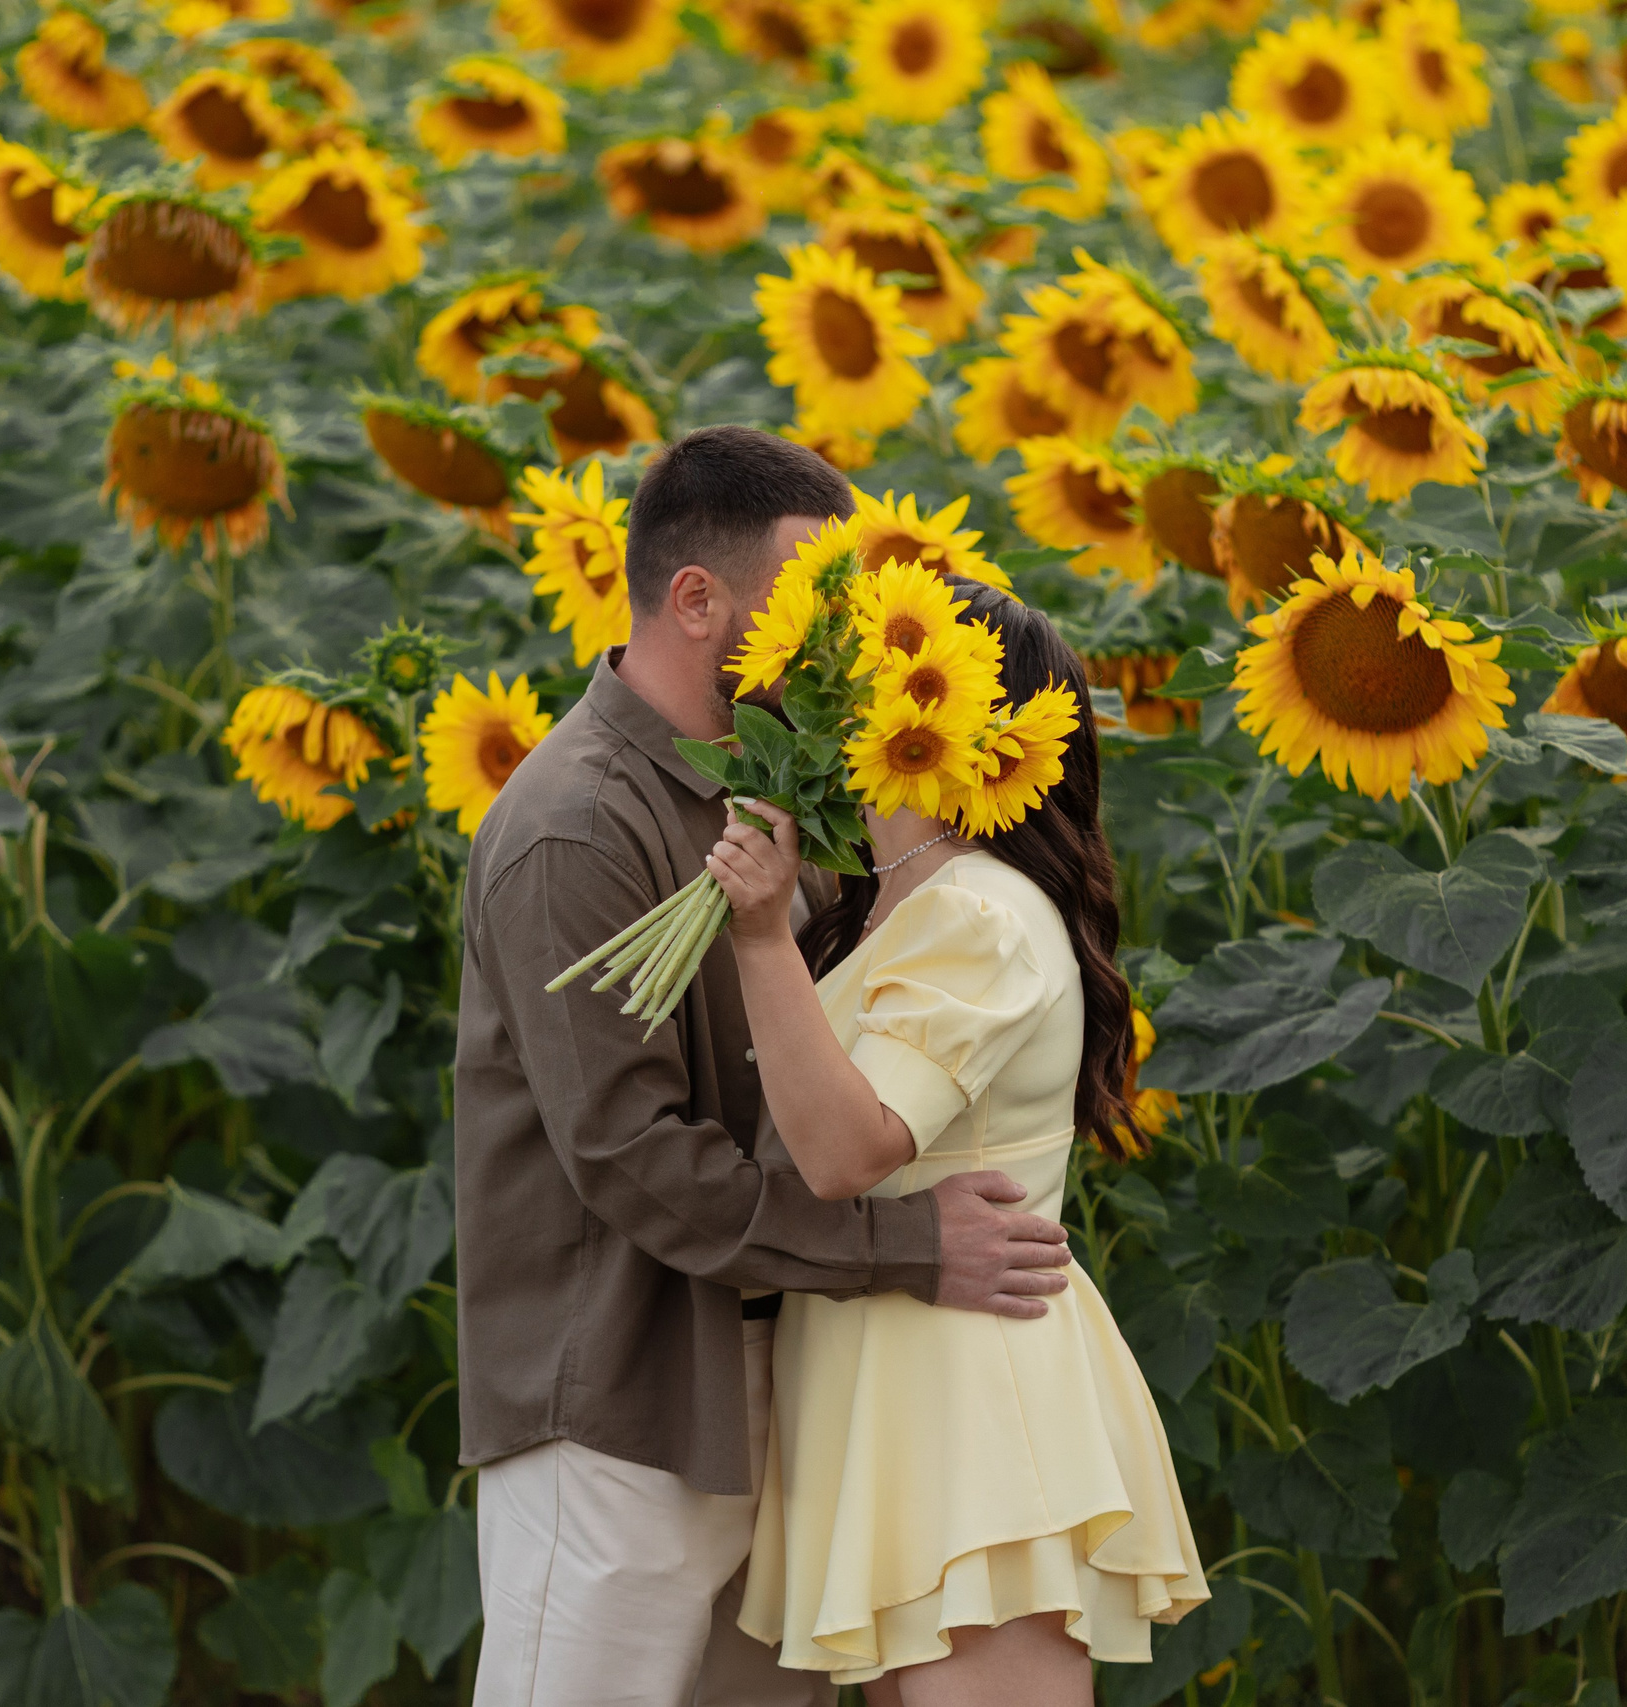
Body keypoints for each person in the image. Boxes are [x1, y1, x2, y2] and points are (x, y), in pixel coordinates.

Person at [455, 426, 1078, 1707]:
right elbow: (634, 1160)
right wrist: (904, 1249)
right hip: (618, 1405)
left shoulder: (766, 792)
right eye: (805, 596)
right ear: (697, 600)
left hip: (764, 1390)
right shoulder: (576, 824)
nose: (833, 631)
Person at [705, 582, 1210, 1706]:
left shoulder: (975, 911)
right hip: (893, 1376)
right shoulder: (897, 902)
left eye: (888, 664)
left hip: (965, 1390)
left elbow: (848, 1152)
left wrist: (756, 935)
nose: (848, 689)